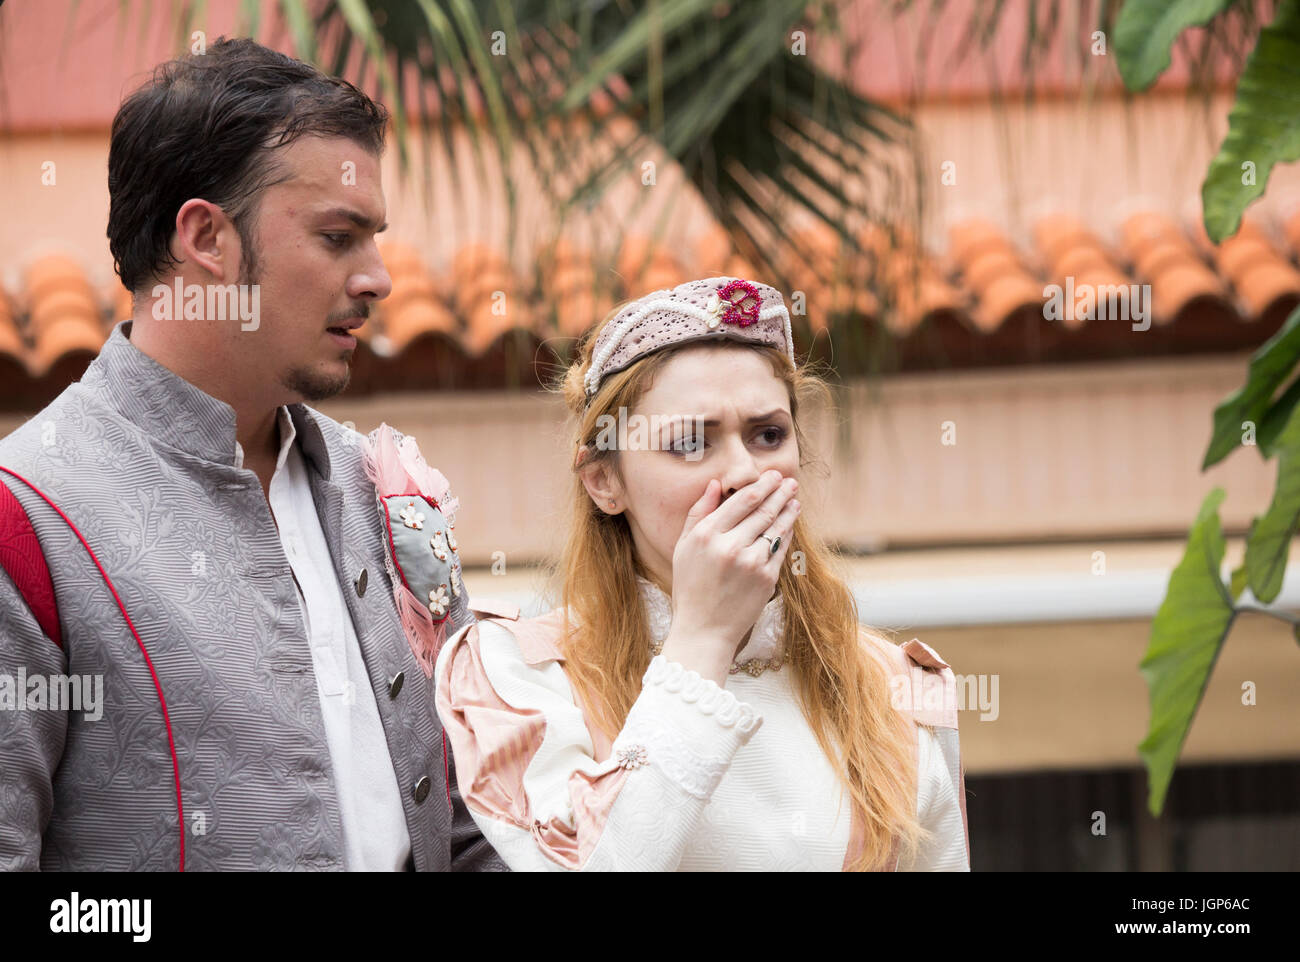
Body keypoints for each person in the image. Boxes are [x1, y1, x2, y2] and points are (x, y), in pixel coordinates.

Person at [0, 38, 503, 871]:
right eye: (340, 237)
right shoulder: (28, 518)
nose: (379, 277)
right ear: (208, 238)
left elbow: (467, 814)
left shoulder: (376, 485)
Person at [434, 276, 971, 871]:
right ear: (604, 482)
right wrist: (704, 641)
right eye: (690, 442)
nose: (744, 472)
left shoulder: (892, 685)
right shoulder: (523, 675)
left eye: (768, 434)